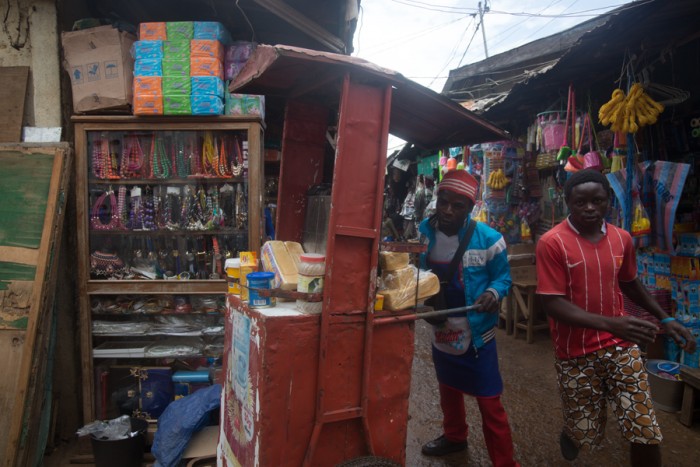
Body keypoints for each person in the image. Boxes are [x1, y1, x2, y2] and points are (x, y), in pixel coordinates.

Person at [535, 169, 696, 466]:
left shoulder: (622, 239)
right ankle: (574, 430)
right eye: (580, 202)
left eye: (597, 200)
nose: (590, 208)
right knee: (585, 433)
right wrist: (612, 322)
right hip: (575, 352)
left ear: (609, 201)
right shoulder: (552, 242)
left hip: (621, 347)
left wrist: (666, 319)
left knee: (643, 428)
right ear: (568, 202)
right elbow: (552, 304)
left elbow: (630, 282)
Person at [418, 170, 519, 466]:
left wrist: (493, 292)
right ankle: (454, 436)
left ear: (471, 207)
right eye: (444, 202)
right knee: (447, 387)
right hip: (442, 327)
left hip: (477, 333)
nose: (448, 210)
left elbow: (503, 278)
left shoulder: (490, 239)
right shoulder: (424, 234)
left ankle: (505, 462)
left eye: (458, 205)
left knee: (489, 401)